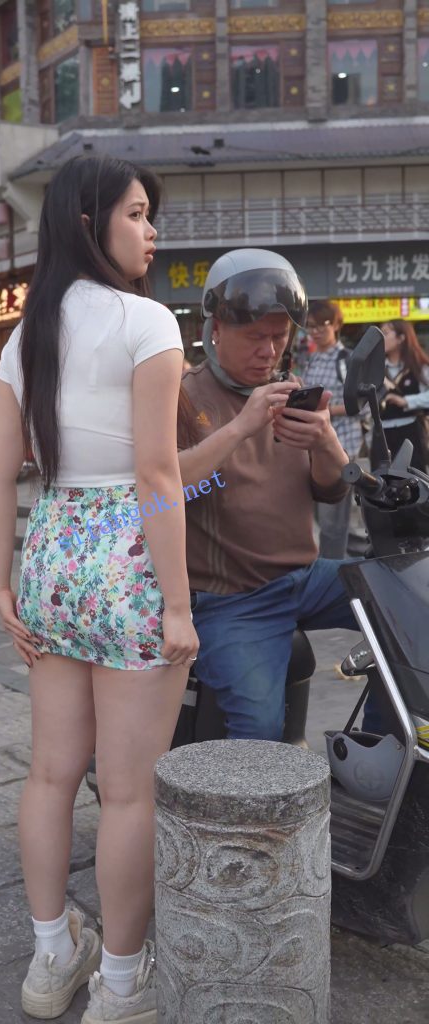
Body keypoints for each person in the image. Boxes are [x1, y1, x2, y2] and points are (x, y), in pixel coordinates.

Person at [0, 155, 198, 1024]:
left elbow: (0, 473)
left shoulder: (26, 334)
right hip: (126, 557)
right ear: (88, 222)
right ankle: (120, 985)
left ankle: (51, 959)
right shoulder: (148, 322)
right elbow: (156, 475)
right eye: (137, 213)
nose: (151, 231)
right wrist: (177, 605)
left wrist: (2, 585)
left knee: (49, 773)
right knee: (131, 790)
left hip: (52, 552)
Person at [176, 248, 361, 742]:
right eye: (256, 337)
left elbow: (331, 488)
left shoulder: (290, 388)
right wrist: (241, 426)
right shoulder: (184, 396)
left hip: (307, 577)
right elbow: (162, 490)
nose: (270, 350)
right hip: (233, 598)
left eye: (280, 336)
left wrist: (325, 440)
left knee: (409, 602)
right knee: (260, 728)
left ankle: (381, 748)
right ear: (216, 328)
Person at [303, 300, 363, 559]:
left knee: (332, 520)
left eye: (322, 325)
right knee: (323, 516)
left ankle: (333, 573)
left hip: (342, 445)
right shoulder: (312, 359)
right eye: (310, 326)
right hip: (314, 446)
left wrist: (325, 412)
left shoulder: (346, 360)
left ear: (336, 325)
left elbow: (360, 405)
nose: (315, 331)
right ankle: (353, 555)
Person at [374, 319, 429, 473]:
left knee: (414, 478)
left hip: (410, 430)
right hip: (382, 433)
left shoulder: (418, 366)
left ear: (401, 338)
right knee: (383, 479)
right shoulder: (376, 367)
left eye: (385, 333)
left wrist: (406, 401)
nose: (381, 339)